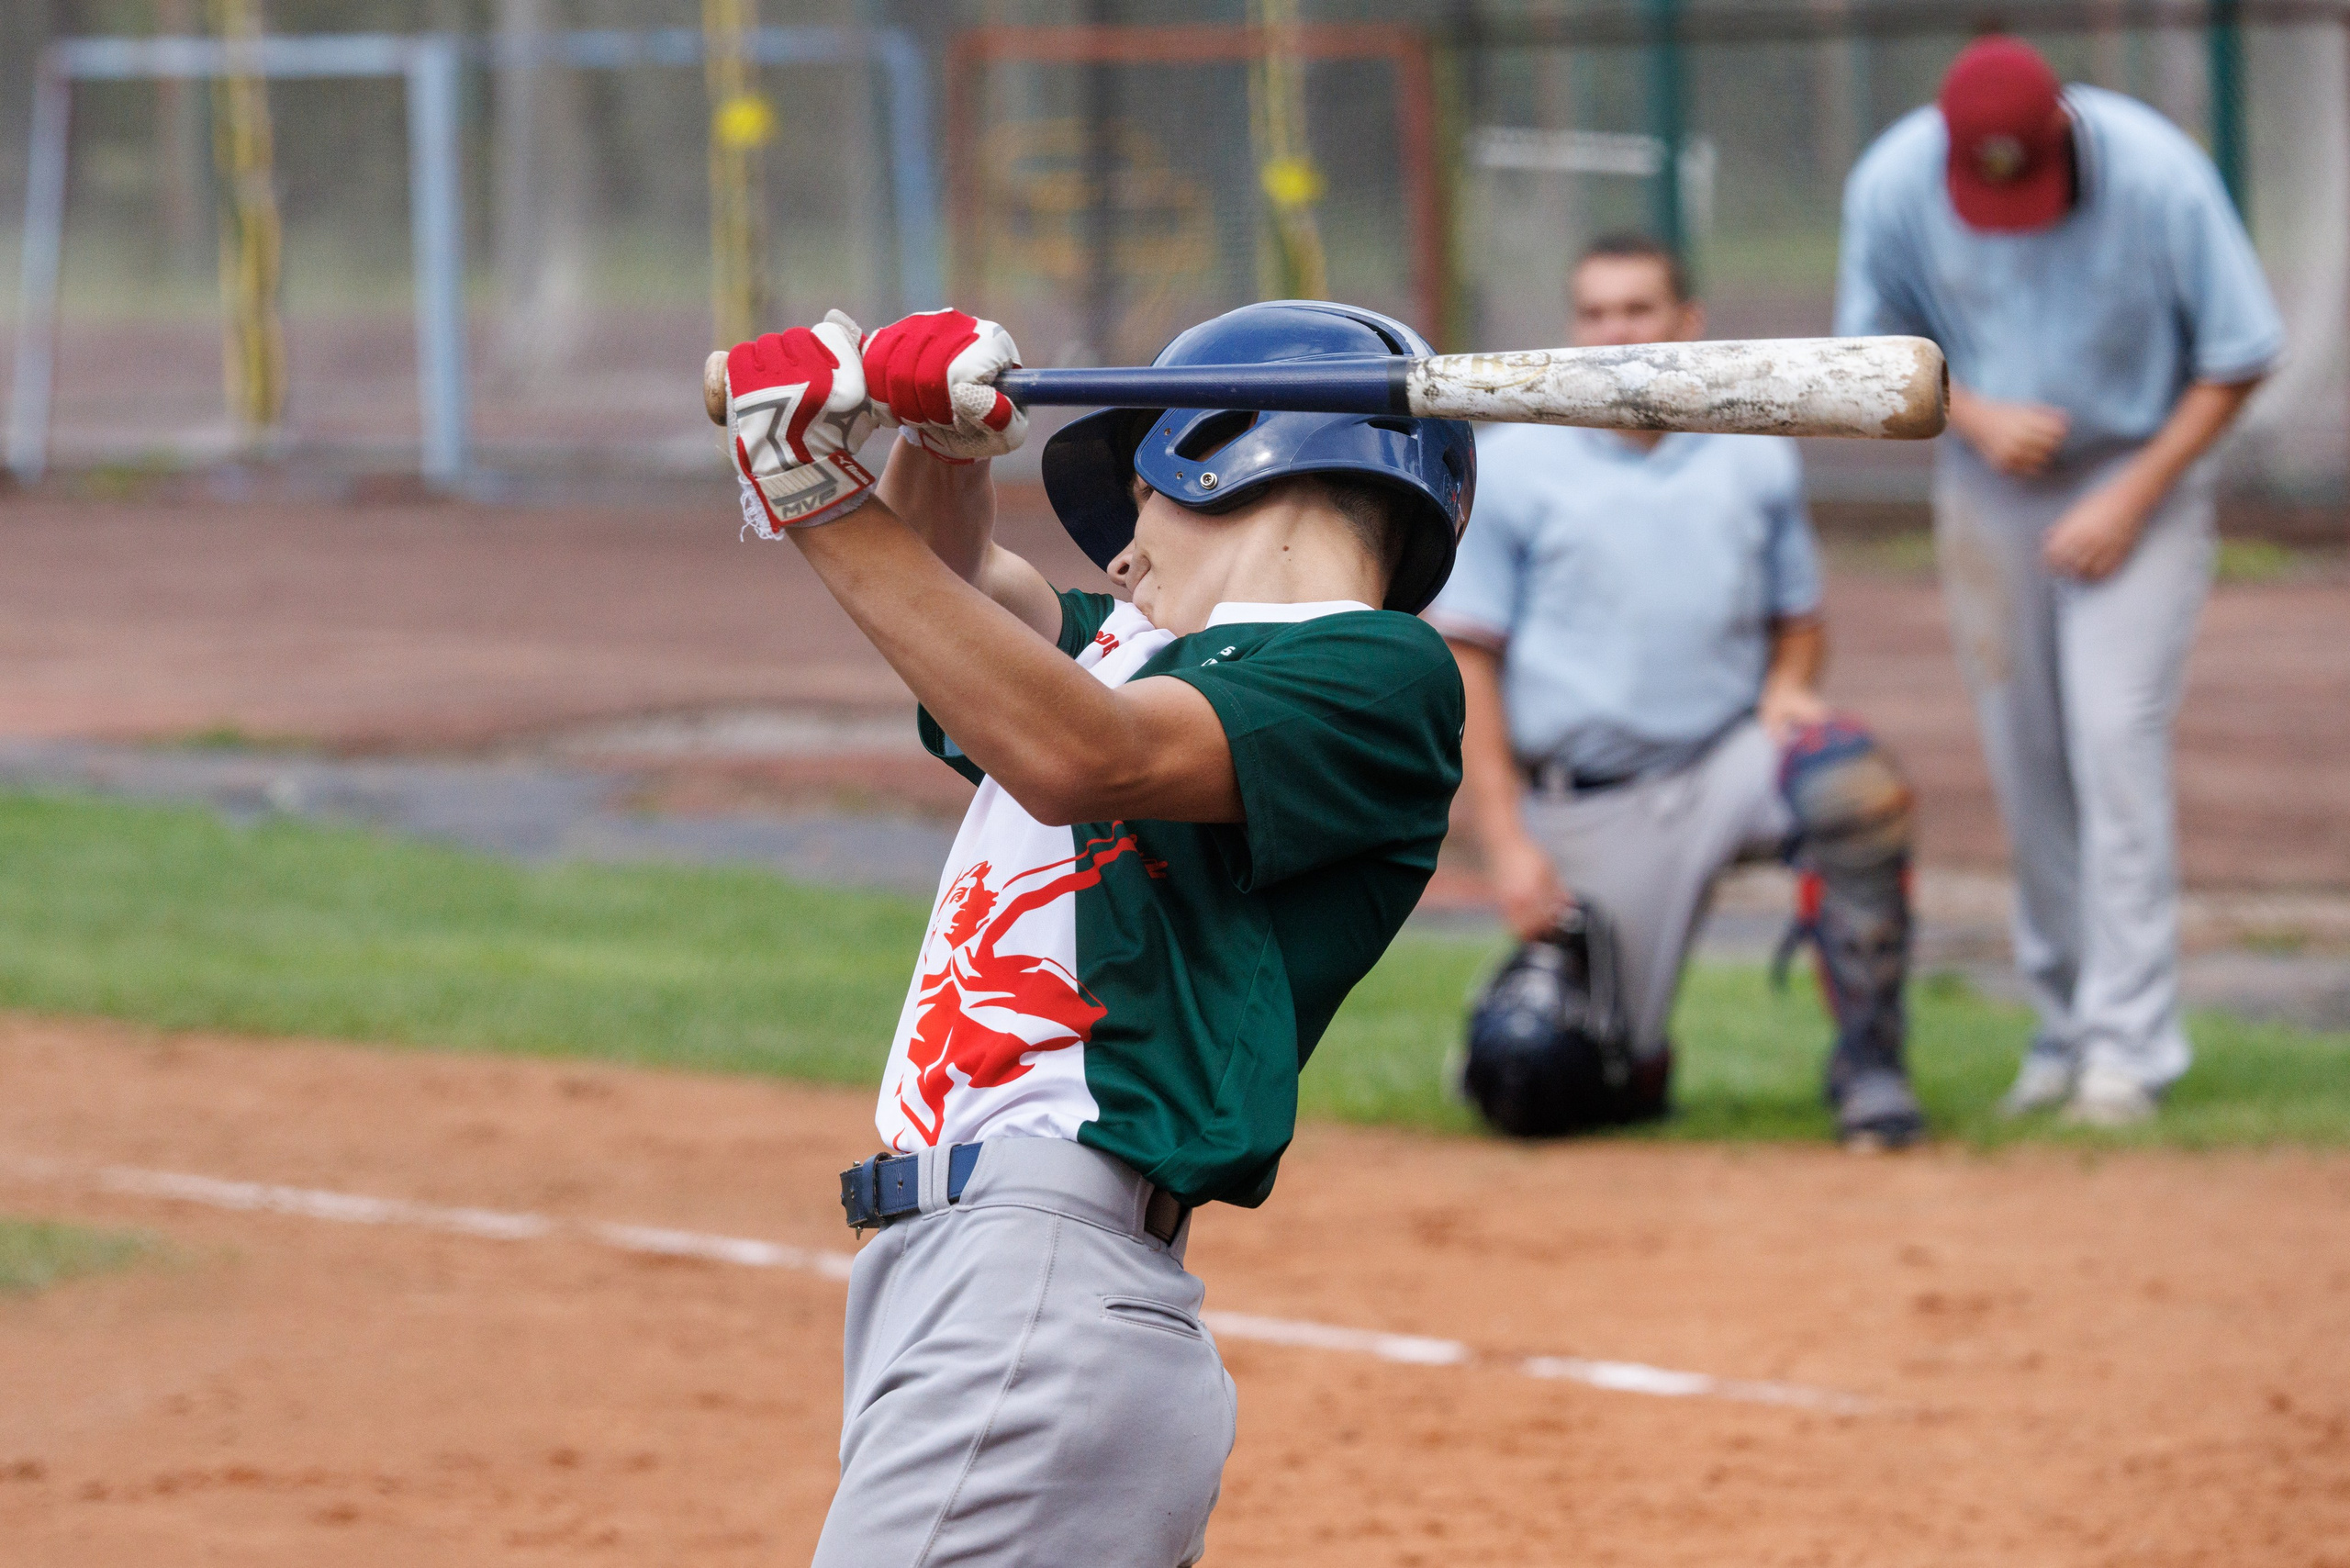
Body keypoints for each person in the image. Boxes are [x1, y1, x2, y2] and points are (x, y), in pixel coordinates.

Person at [720, 299, 1472, 1567]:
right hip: (978, 1291)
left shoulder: (1376, 676)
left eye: (1139, 500)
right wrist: (939, 444)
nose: (1120, 554)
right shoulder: (1132, 651)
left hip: (1043, 1287)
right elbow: (945, 614)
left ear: (1231, 447)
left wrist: (809, 488)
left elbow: (1077, 752)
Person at [1836, 36, 2283, 1125]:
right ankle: (2061, 1029)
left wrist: (2127, 499)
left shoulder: (2158, 174)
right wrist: (1978, 415)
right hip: (1989, 483)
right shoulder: (1895, 181)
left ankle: (2127, 1050)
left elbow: (2238, 352)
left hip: (2142, 474)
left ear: (2065, 135)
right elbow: (1869, 352)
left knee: (2110, 739)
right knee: (2025, 759)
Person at [1427, 233, 1923, 1150]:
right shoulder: (1513, 463)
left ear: (1688, 325)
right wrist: (1504, 844)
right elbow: (1470, 665)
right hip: (1587, 802)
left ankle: (1871, 1066)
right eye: (1596, 312)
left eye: (1638, 309)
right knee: (1546, 1073)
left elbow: (1801, 618)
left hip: (1724, 762)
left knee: (1852, 784)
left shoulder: (1751, 454)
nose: (1616, 331)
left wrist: (1786, 686)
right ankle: (1626, 1052)